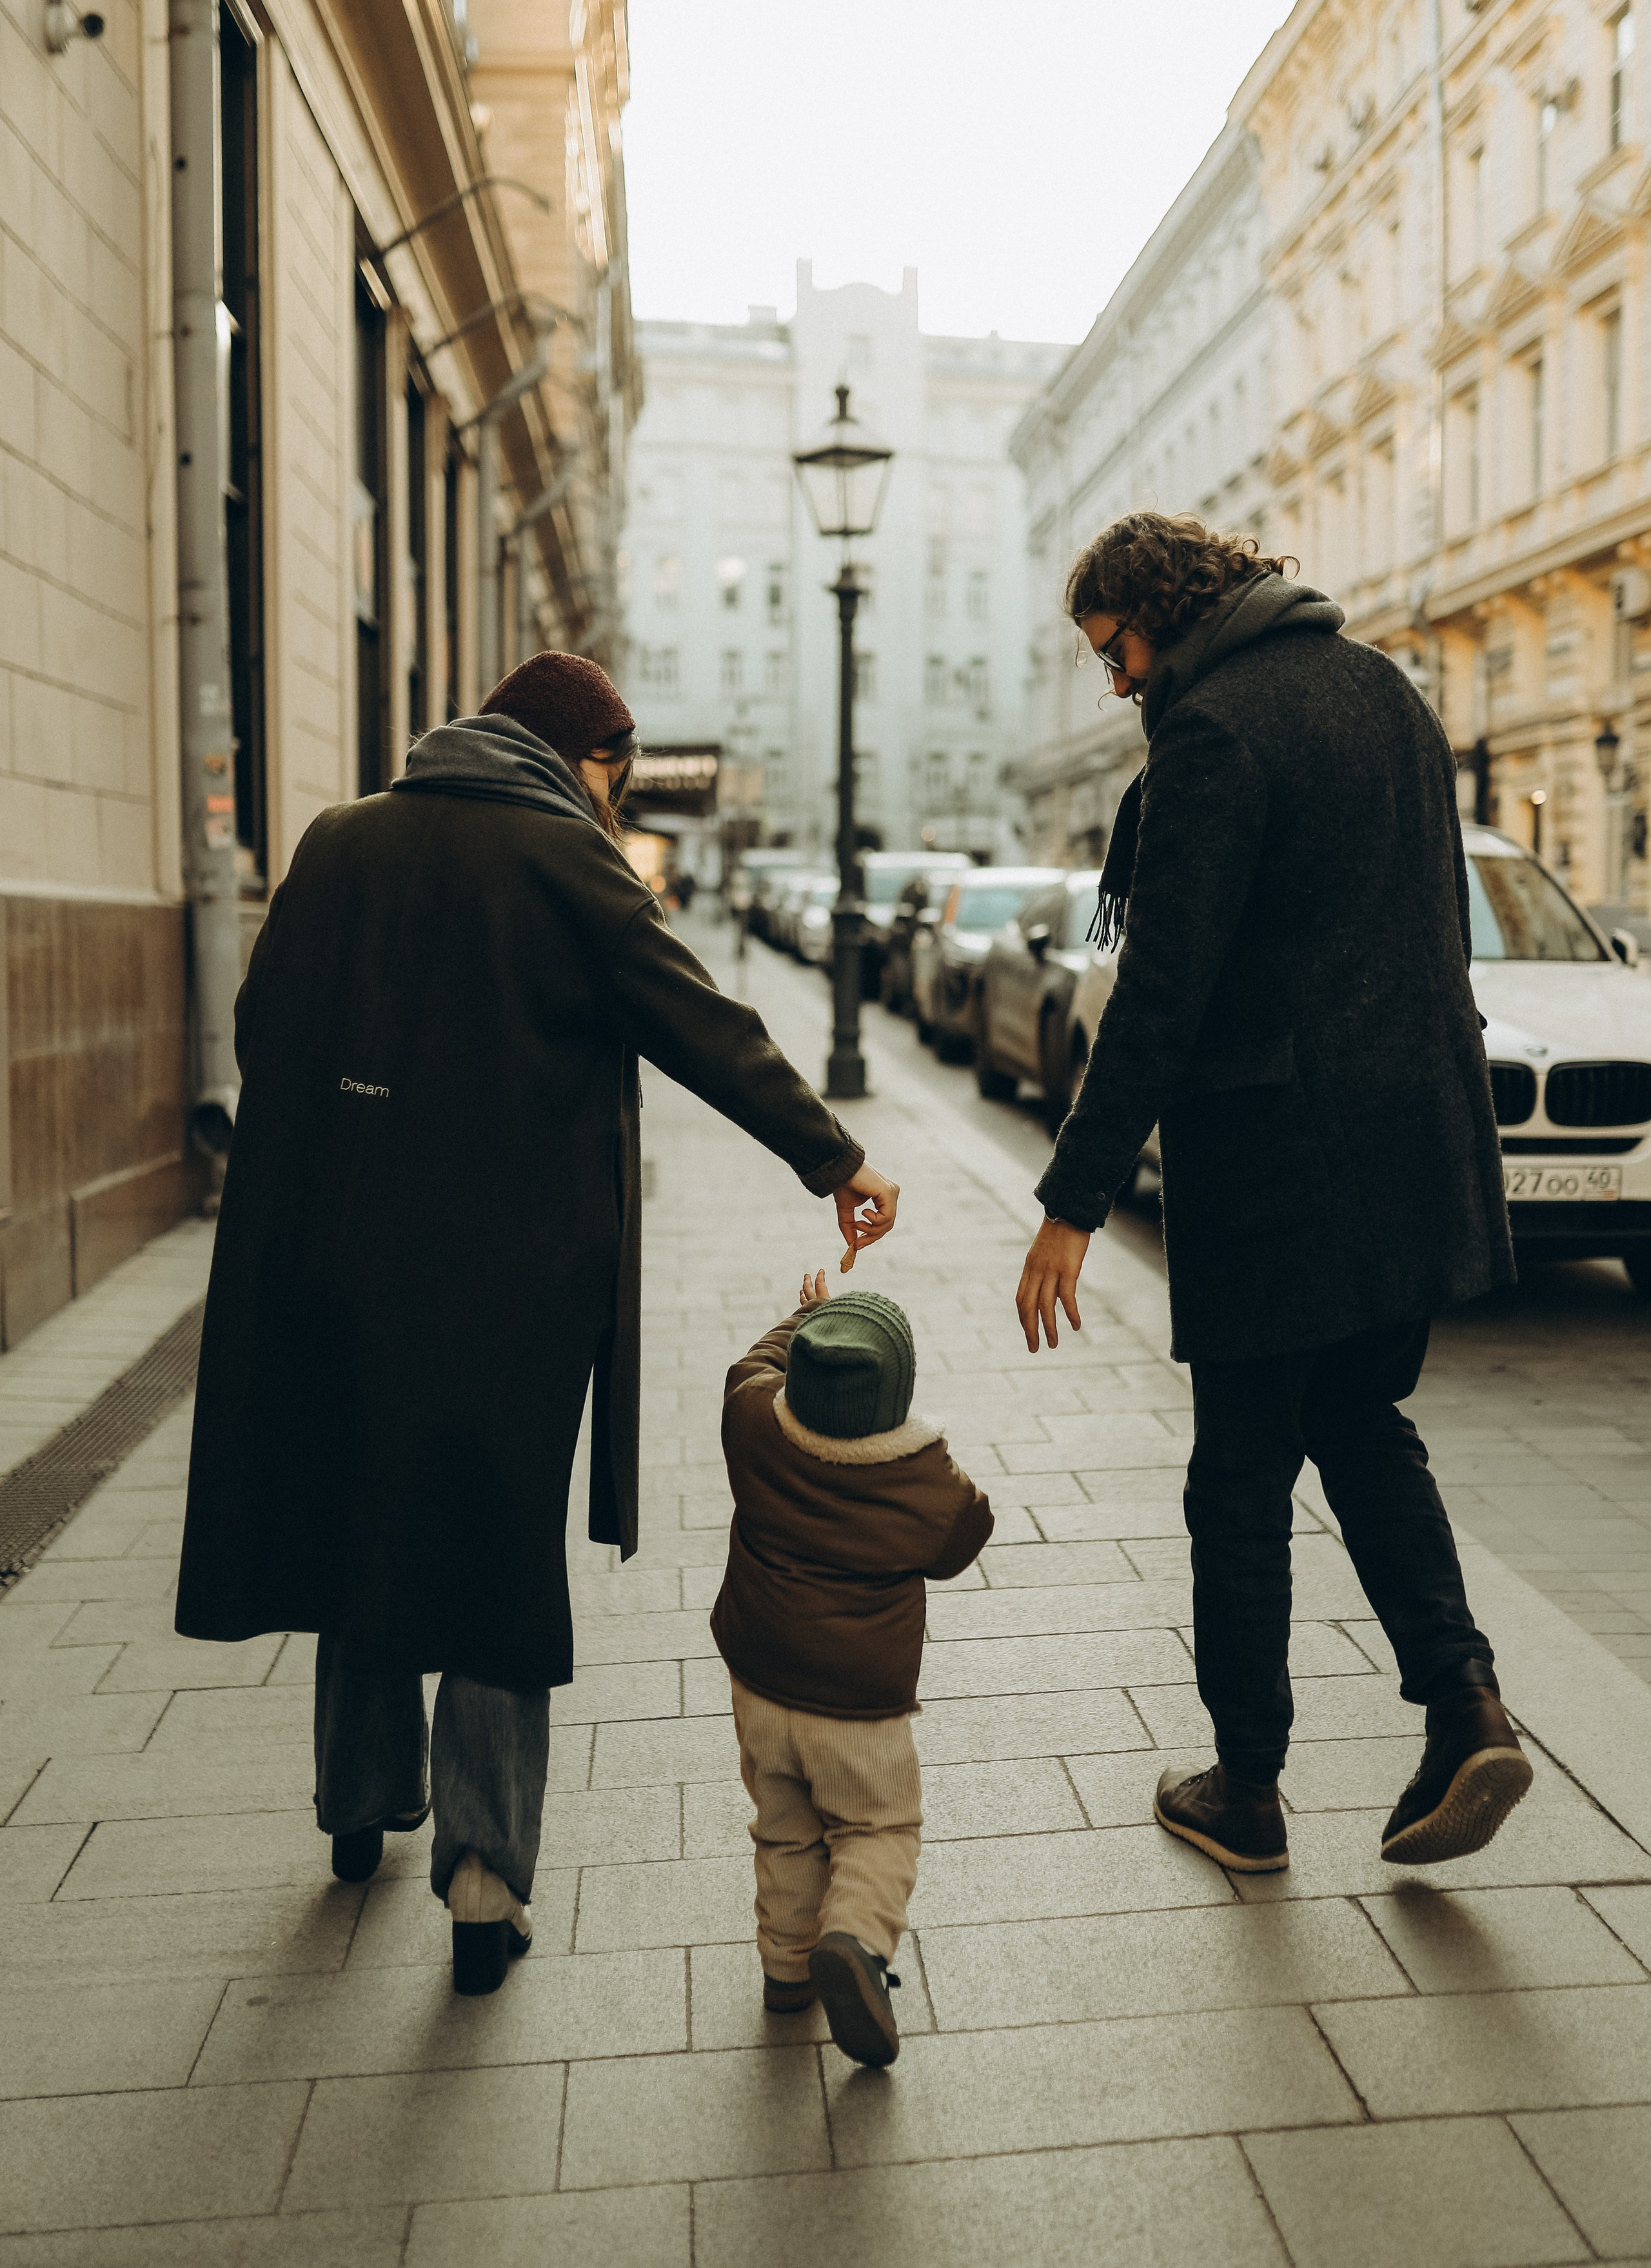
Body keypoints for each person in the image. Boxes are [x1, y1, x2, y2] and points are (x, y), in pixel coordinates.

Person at [174, 652, 898, 1996]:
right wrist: (830, 1155)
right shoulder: (568, 861)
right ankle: (481, 1875)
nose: (613, 798)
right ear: (587, 756)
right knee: (489, 1546)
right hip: (505, 1272)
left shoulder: (336, 840)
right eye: (612, 775)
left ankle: (355, 1802)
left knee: (360, 1510)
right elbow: (700, 1023)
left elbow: (259, 1022)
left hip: (331, 1251)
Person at [1015, 513, 1531, 1877]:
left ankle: (1245, 1790)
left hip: (1277, 1167)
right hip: (1414, 1146)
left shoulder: (1215, 735)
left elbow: (1159, 998)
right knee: (1362, 1419)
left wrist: (1072, 1200)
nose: (1115, 682)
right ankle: (1463, 1705)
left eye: (1113, 651)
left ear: (1161, 613)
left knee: (1237, 1479)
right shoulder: (1385, 694)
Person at [712, 1270, 993, 2064]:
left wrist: (805, 1314)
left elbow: (749, 1366)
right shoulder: (920, 1482)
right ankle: (855, 1942)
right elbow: (970, 1530)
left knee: (785, 1828)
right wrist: (930, 1450)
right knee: (877, 1826)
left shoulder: (752, 1423)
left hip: (760, 1684)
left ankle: (787, 1972)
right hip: (858, 1708)